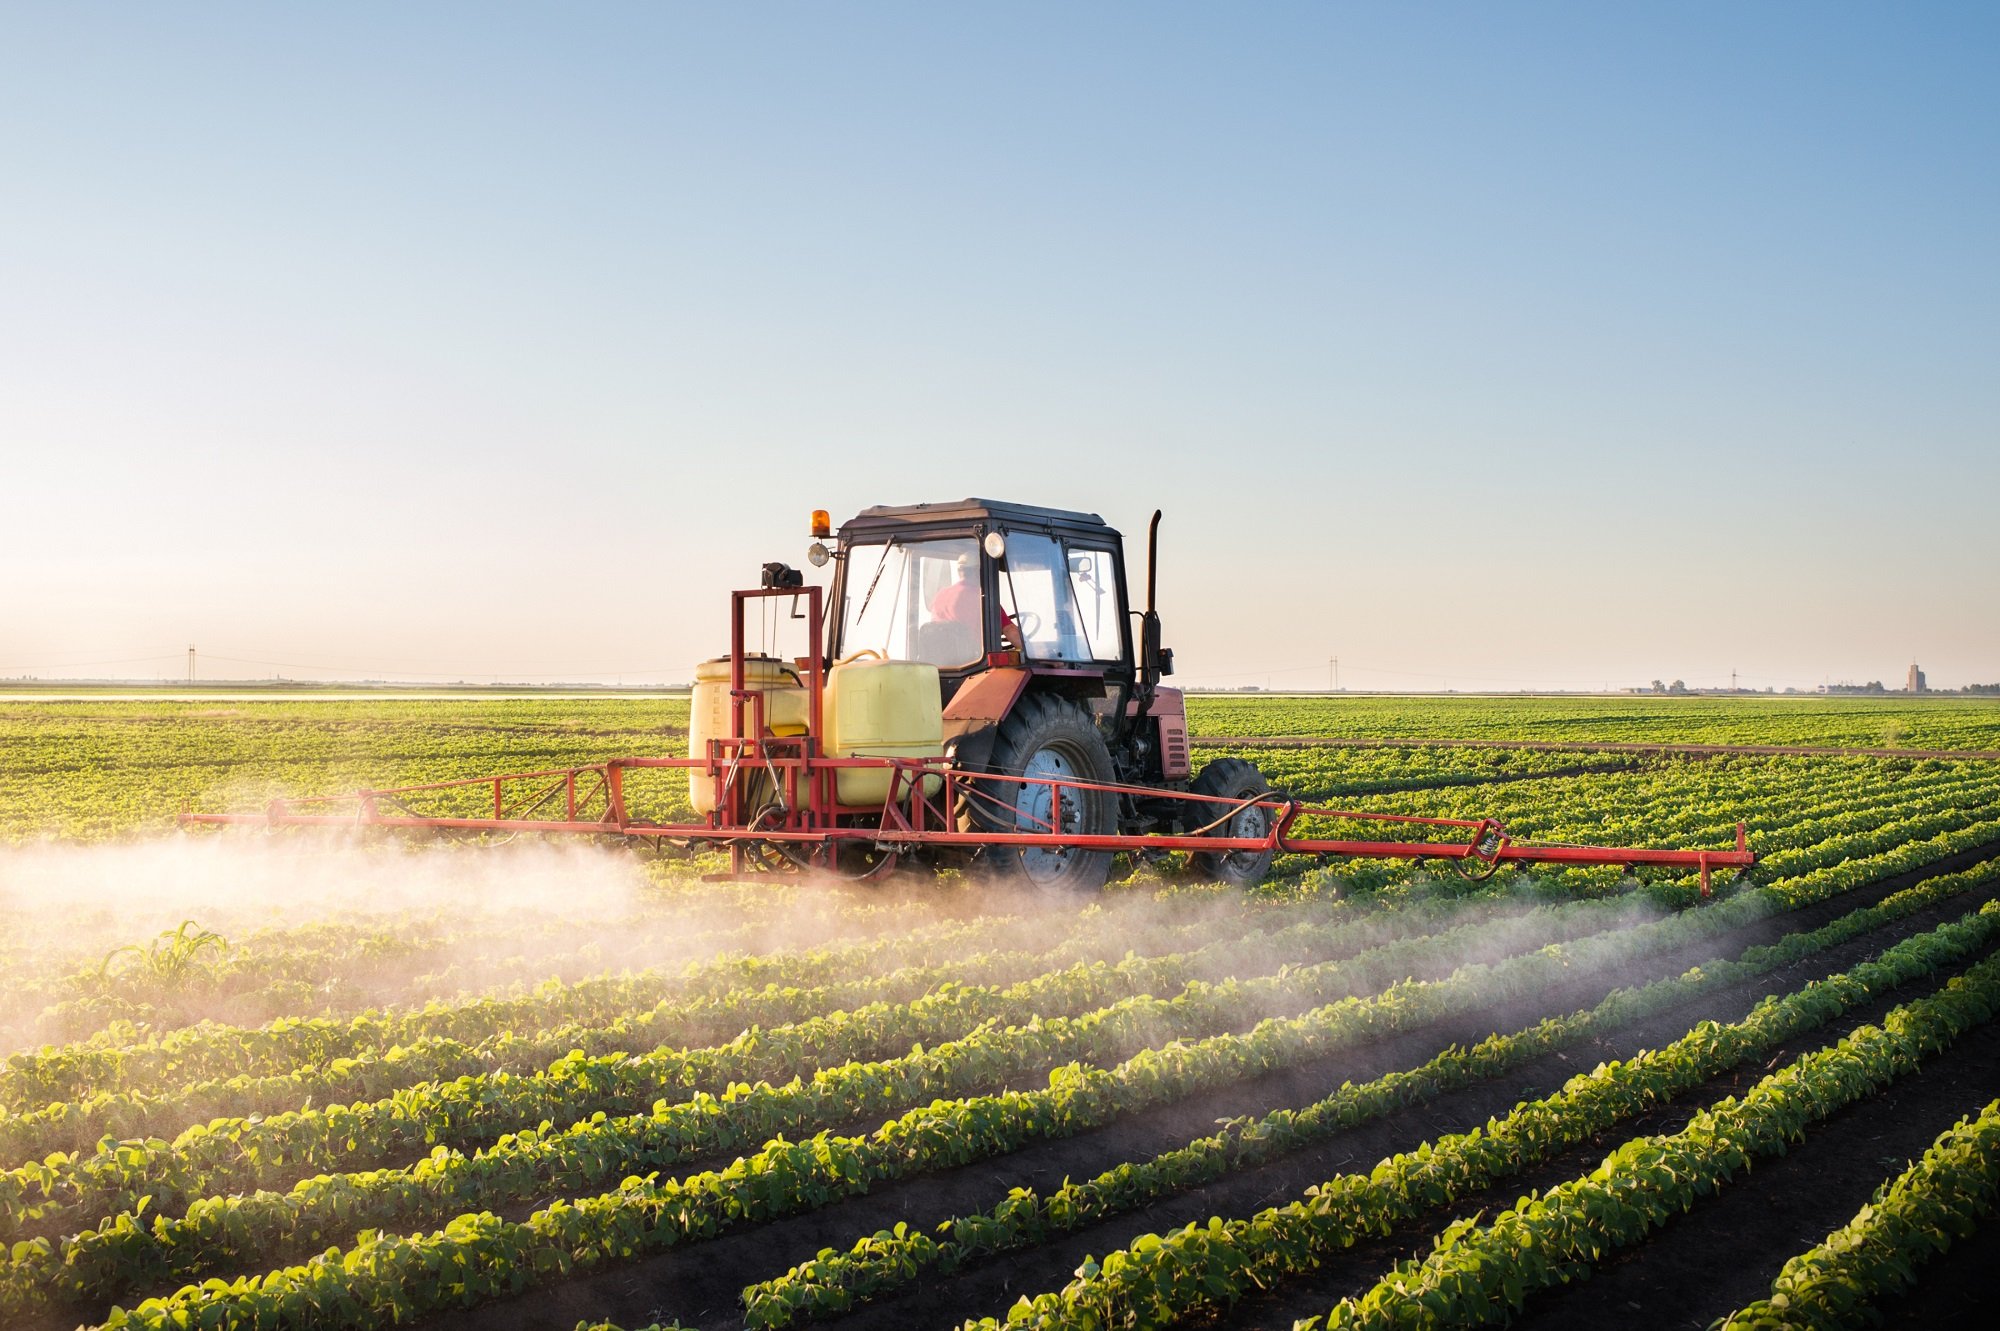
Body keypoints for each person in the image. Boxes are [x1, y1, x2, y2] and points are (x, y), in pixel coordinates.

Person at [930, 553, 980, 623]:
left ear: (959, 571)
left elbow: (934, 622)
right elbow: (999, 624)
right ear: (977, 571)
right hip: (968, 634)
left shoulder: (941, 595)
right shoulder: (979, 596)